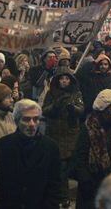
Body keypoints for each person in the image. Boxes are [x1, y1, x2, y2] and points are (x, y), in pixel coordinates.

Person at [0, 99, 61, 209]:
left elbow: (55, 183)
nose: (32, 124)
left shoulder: (51, 147)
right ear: (17, 120)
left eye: (36, 119)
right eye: (26, 119)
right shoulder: (2, 146)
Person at [72, 89, 111, 209]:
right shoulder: (89, 128)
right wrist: (87, 182)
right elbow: (79, 158)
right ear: (105, 107)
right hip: (91, 189)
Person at [42, 66, 84, 207]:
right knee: (60, 167)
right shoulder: (51, 93)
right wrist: (55, 106)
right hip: (55, 133)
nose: (64, 81)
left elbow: (81, 109)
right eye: (62, 79)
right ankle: (62, 196)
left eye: (67, 79)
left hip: (71, 133)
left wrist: (73, 108)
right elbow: (44, 110)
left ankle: (65, 195)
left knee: (67, 167)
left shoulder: (76, 93)